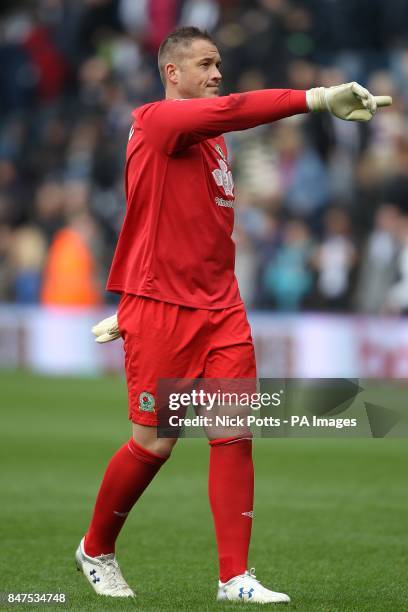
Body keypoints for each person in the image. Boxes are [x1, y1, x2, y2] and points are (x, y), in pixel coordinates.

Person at [75, 26, 391, 603]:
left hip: (221, 307)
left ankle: (234, 578)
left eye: (219, 63)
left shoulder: (214, 142)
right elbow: (239, 109)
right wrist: (316, 98)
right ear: (172, 72)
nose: (217, 73)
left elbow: (183, 222)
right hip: (164, 309)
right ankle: (96, 548)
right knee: (155, 443)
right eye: (205, 63)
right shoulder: (154, 120)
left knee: (234, 433)